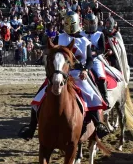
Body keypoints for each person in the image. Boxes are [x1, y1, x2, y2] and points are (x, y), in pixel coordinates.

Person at [18, 11, 109, 141]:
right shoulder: (59, 37)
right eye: (67, 23)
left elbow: (89, 60)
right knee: (38, 98)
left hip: (78, 74)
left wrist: (85, 70)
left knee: (91, 94)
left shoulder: (84, 41)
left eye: (71, 23)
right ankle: (31, 128)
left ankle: (98, 124)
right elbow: (50, 51)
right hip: (60, 73)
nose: (69, 26)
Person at [81, 13, 109, 108]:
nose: (89, 24)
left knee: (100, 76)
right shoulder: (81, 34)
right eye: (87, 22)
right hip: (83, 59)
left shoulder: (99, 34)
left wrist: (94, 53)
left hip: (95, 59)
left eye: (91, 22)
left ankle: (105, 98)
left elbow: (102, 49)